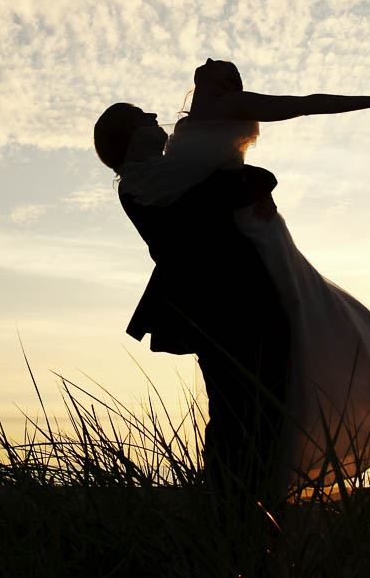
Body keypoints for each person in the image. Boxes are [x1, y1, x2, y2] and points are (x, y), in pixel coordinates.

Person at [122, 60, 370, 492]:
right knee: (307, 312)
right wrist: (254, 181)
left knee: (313, 305)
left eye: (222, 66)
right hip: (233, 243)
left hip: (253, 232)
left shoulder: (231, 105)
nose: (212, 60)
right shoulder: (181, 131)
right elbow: (190, 198)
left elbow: (304, 105)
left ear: (226, 84)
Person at [93, 102, 291, 522]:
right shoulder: (143, 186)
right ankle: (232, 517)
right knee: (238, 414)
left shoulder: (171, 174)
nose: (154, 119)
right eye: (142, 118)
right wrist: (255, 180)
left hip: (243, 302)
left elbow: (239, 185)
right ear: (128, 137)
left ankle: (248, 512)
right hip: (220, 310)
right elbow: (230, 190)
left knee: (258, 410)